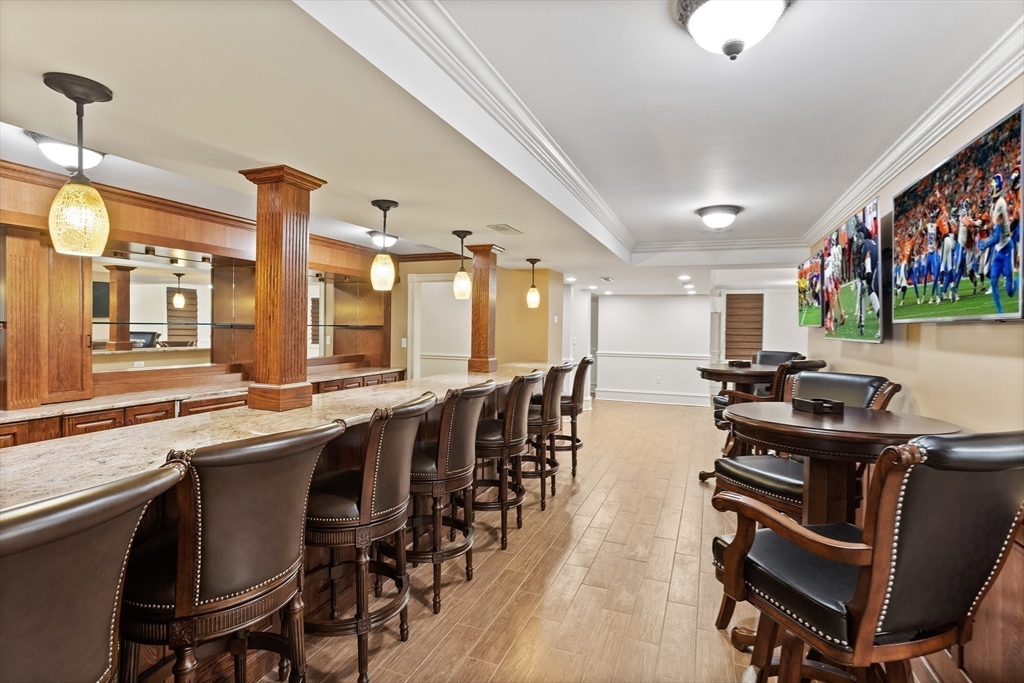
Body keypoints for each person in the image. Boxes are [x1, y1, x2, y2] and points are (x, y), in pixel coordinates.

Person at [978, 173, 1018, 314]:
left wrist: (984, 243)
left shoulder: (1000, 204)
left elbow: (996, 237)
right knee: (993, 281)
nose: (989, 189)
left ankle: (1020, 280)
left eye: (992, 187)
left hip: (1006, 248)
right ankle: (1000, 313)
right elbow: (992, 226)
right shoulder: (994, 205)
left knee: (1010, 291)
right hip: (998, 249)